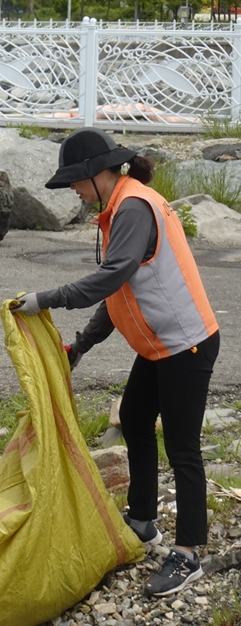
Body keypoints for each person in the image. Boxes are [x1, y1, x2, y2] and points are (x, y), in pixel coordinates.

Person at [12, 126, 220, 598]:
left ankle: (188, 554)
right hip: (160, 346)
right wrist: (81, 346)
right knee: (134, 418)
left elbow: (110, 278)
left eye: (76, 182)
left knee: (183, 448)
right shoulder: (117, 208)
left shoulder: (133, 207)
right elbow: (120, 294)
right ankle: (143, 520)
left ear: (98, 172)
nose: (75, 191)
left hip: (187, 343)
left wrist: (46, 299)